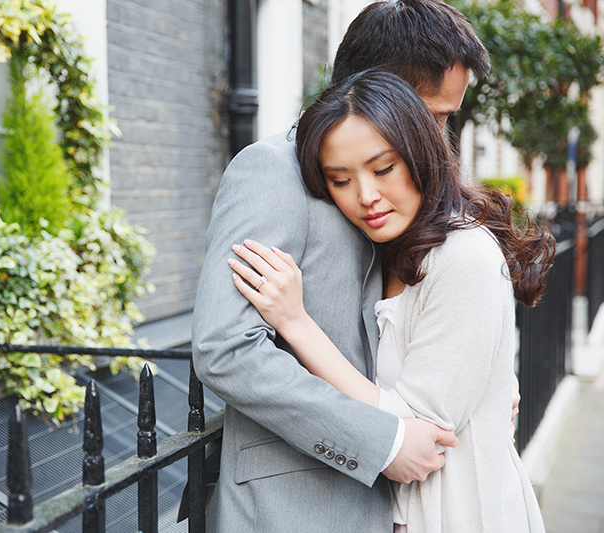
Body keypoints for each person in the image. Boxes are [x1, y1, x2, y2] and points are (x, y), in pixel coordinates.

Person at [192, 0, 492, 530]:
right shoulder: (273, 172)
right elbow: (226, 348)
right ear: (381, 91)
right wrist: (381, 441)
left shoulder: (405, 187)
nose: (442, 138)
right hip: (295, 507)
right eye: (434, 116)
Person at [229, 69, 552, 531]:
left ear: (420, 153)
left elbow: (418, 434)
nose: (367, 196)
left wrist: (296, 324)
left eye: (383, 170)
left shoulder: (464, 255)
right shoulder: (384, 253)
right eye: (340, 180)